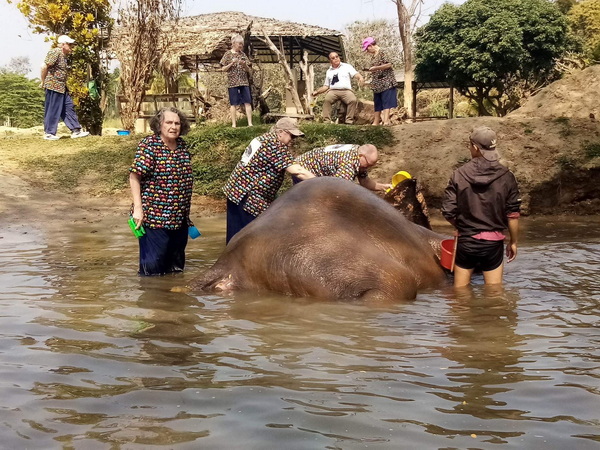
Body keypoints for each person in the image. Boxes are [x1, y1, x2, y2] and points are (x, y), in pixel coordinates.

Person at [442, 126, 521, 287]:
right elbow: (513, 214)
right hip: (493, 244)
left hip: (467, 242)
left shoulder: (458, 175)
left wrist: (464, 227)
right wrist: (513, 242)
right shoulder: (507, 176)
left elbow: (448, 212)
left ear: (475, 148)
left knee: (460, 293)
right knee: (494, 293)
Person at [223, 117, 316, 243]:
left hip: (236, 192)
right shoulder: (274, 145)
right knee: (249, 241)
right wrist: (322, 183)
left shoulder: (263, 138)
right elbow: (297, 171)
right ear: (281, 132)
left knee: (236, 239)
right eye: (292, 136)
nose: (293, 140)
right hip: (248, 197)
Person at [129, 107, 195, 276]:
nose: (174, 127)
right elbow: (134, 176)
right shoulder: (150, 145)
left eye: (177, 123)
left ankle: (173, 299)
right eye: (169, 122)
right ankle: (153, 298)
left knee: (175, 268)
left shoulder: (181, 146)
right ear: (159, 125)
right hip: (154, 218)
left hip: (178, 219)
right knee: (153, 269)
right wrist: (138, 209)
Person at [40, 35, 90, 140]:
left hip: (62, 87)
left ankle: (76, 130)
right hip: (54, 86)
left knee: (68, 107)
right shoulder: (55, 52)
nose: (71, 47)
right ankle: (49, 133)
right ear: (63, 44)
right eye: (69, 44)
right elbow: (44, 66)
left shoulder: (63, 56)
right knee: (53, 109)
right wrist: (43, 81)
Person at [294, 144, 391, 192]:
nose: (368, 168)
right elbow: (338, 189)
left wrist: (383, 187)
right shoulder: (348, 164)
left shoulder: (357, 154)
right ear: (361, 156)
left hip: (316, 170)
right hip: (304, 169)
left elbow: (364, 181)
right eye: (369, 164)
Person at [312, 52, 364, 125]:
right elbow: (326, 86)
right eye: (333, 58)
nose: (336, 59)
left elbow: (355, 74)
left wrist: (360, 77)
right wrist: (317, 91)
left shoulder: (347, 66)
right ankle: (326, 121)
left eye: (337, 56)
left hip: (346, 91)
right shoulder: (329, 71)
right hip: (333, 91)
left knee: (353, 100)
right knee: (327, 100)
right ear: (330, 61)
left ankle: (349, 121)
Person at [362, 37, 398, 126]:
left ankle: (386, 121)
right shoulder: (374, 56)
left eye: (367, 49)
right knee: (378, 103)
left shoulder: (383, 52)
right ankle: (376, 121)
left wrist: (377, 68)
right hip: (377, 84)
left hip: (386, 82)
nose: (367, 51)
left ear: (370, 45)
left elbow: (389, 64)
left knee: (386, 102)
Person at [220, 34, 253, 128]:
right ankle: (234, 124)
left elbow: (248, 69)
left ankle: (250, 123)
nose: (241, 46)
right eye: (239, 44)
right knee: (233, 103)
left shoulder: (243, 55)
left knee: (247, 102)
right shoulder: (227, 54)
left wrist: (244, 65)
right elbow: (223, 69)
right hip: (232, 83)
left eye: (242, 44)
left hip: (244, 82)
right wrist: (231, 63)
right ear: (233, 43)